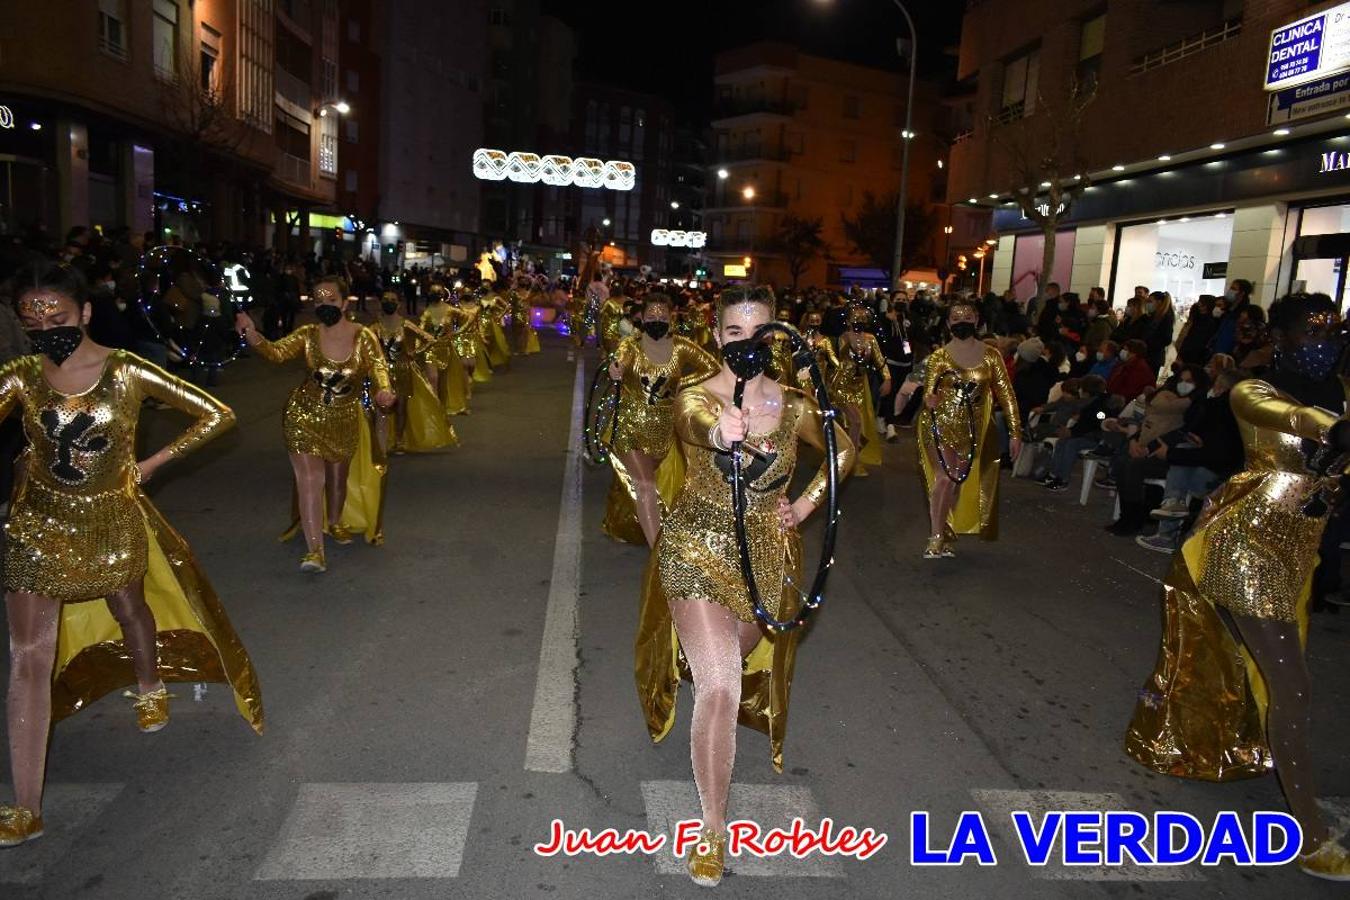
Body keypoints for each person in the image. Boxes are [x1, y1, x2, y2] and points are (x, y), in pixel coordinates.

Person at [0, 260, 263, 847]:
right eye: (31, 322)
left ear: (86, 313)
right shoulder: (20, 374)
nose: (46, 332)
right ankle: (25, 805)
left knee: (129, 608)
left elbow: (217, 414)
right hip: (36, 525)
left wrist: (148, 465)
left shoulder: (127, 370)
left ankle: (149, 685)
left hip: (110, 520)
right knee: (26, 658)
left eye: (58, 318)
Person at [633, 286, 854, 886]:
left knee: (729, 661)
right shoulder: (692, 399)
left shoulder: (798, 404)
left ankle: (700, 664)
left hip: (765, 559)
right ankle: (712, 827)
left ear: (776, 335)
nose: (748, 344)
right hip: (695, 549)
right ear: (717, 334)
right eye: (735, 332)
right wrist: (723, 427)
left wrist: (805, 506)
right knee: (723, 686)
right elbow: (699, 425)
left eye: (759, 332)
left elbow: (846, 450)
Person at [1126, 293, 1350, 880]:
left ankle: (1237, 746)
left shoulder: (1342, 389)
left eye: (1332, 329)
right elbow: (1309, 425)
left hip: (1297, 553)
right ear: (1279, 337)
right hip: (1246, 547)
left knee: (1267, 674)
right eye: (1309, 331)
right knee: (1293, 686)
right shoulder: (1257, 392)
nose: (1322, 341)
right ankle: (1313, 838)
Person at [235, 276, 395, 572]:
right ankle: (314, 551)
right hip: (303, 416)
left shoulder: (363, 336)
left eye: (331, 300)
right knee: (310, 480)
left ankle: (334, 522)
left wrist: (384, 390)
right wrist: (252, 335)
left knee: (337, 479)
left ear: (345, 303)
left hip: (344, 419)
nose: (324, 306)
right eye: (318, 301)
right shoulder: (308, 334)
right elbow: (277, 352)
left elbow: (378, 366)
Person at [899, 299, 1021, 557]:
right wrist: (929, 400)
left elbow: (1006, 395)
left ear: (977, 321)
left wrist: (1015, 432)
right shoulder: (939, 357)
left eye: (968, 318)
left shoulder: (992, 356)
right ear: (948, 323)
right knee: (944, 479)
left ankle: (944, 531)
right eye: (956, 318)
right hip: (938, 426)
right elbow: (928, 394)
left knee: (956, 482)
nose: (962, 322)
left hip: (971, 431)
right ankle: (935, 536)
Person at [603, 294, 719, 547]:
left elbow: (712, 368)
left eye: (662, 317)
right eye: (651, 317)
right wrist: (617, 369)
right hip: (629, 424)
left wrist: (680, 385)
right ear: (641, 318)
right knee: (644, 484)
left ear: (671, 318)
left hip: (664, 427)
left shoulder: (681, 346)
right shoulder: (631, 346)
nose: (657, 321)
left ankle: (625, 521)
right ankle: (658, 552)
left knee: (649, 481)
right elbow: (619, 361)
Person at [374, 291, 457, 455]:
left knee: (401, 406)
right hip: (381, 372)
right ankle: (381, 442)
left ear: (398, 304)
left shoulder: (405, 324)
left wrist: (414, 352)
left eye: (392, 300)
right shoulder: (375, 326)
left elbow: (429, 339)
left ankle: (398, 440)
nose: (389, 302)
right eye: (385, 300)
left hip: (403, 370)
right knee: (381, 408)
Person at [831, 305, 891, 476]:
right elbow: (838, 358)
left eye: (863, 320)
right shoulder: (843, 337)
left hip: (859, 385)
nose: (859, 323)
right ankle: (847, 460)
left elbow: (879, 360)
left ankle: (851, 460)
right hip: (841, 384)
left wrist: (887, 378)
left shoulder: (871, 339)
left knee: (856, 425)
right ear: (848, 321)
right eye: (855, 320)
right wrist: (848, 341)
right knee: (854, 421)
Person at [1038, 375, 1110, 491]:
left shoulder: (1101, 405)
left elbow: (1094, 424)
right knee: (1062, 442)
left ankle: (1063, 479)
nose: (1080, 391)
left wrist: (1071, 432)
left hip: (1097, 439)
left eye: (1082, 388)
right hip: (1082, 435)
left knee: (1071, 445)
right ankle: (1053, 474)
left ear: (1087, 391)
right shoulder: (1088, 403)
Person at [1143, 290, 1177, 374]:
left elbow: (1166, 338)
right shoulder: (1154, 316)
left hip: (1154, 356)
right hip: (1149, 354)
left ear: (1159, 302)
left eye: (1150, 301)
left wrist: (1150, 344)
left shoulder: (1166, 317)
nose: (1148, 304)